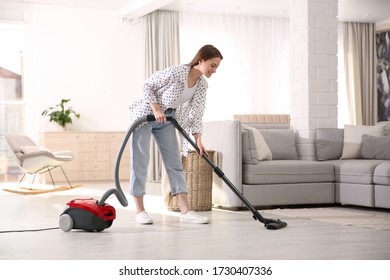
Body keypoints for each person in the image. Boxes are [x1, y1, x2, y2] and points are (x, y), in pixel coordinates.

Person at [129, 44, 223, 224]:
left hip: (168, 119)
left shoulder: (202, 84)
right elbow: (147, 85)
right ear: (200, 60)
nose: (214, 70)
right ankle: (140, 211)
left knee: (175, 163)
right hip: (145, 116)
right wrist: (156, 109)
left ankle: (186, 212)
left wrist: (198, 140)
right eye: (212, 65)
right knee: (141, 163)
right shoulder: (177, 72)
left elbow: (197, 112)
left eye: (216, 67)